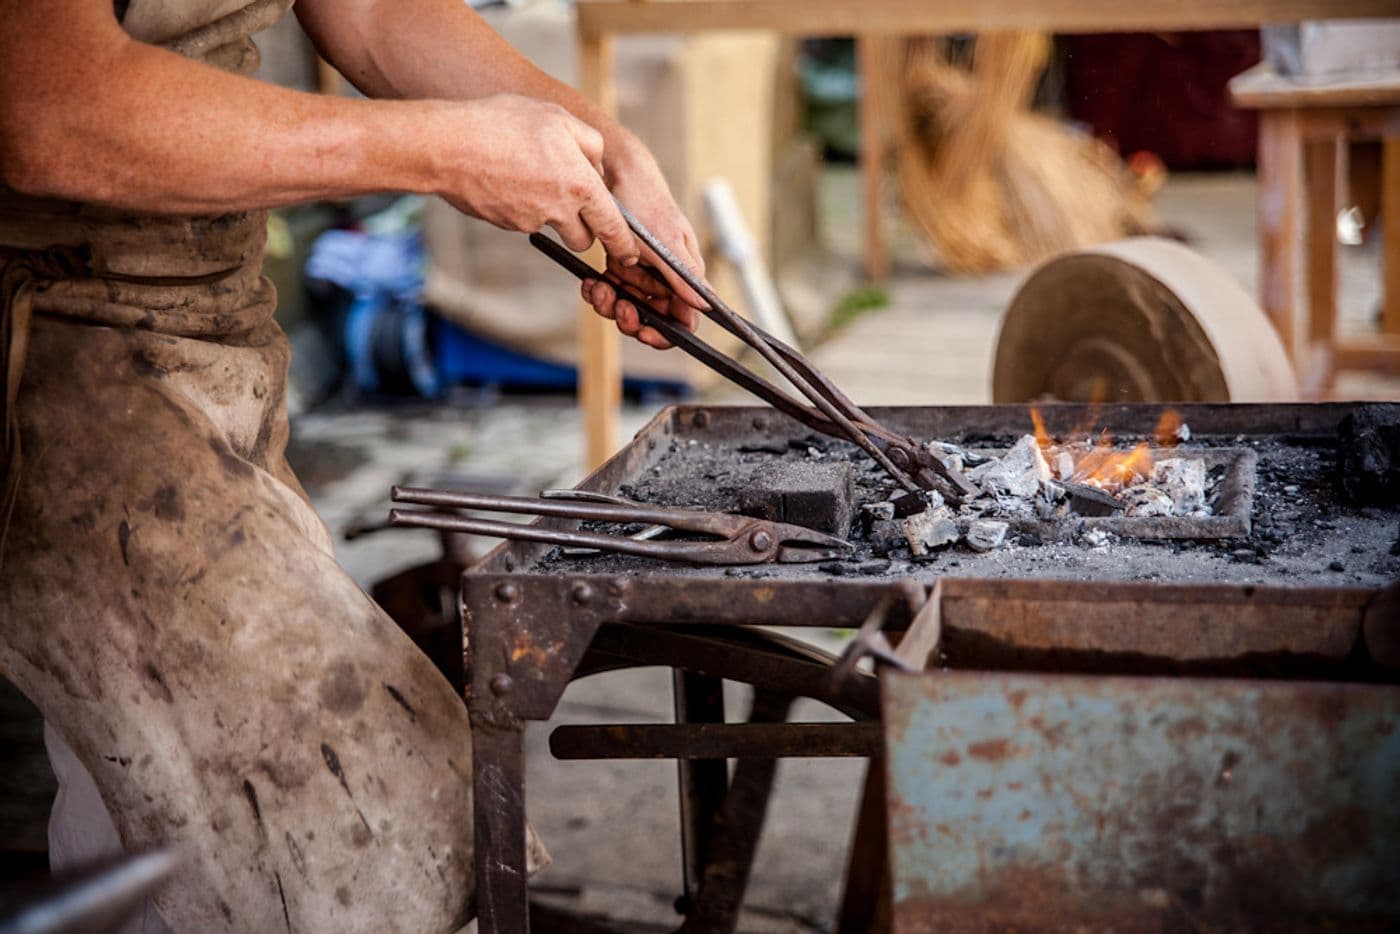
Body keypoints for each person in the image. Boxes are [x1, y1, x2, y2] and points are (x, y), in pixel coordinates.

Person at [0, 0, 703, 930]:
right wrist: (443, 149)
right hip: (46, 336)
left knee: (151, 800)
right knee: (368, 827)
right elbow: (52, 111)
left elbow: (373, 12)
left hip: (205, 318)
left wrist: (610, 155)